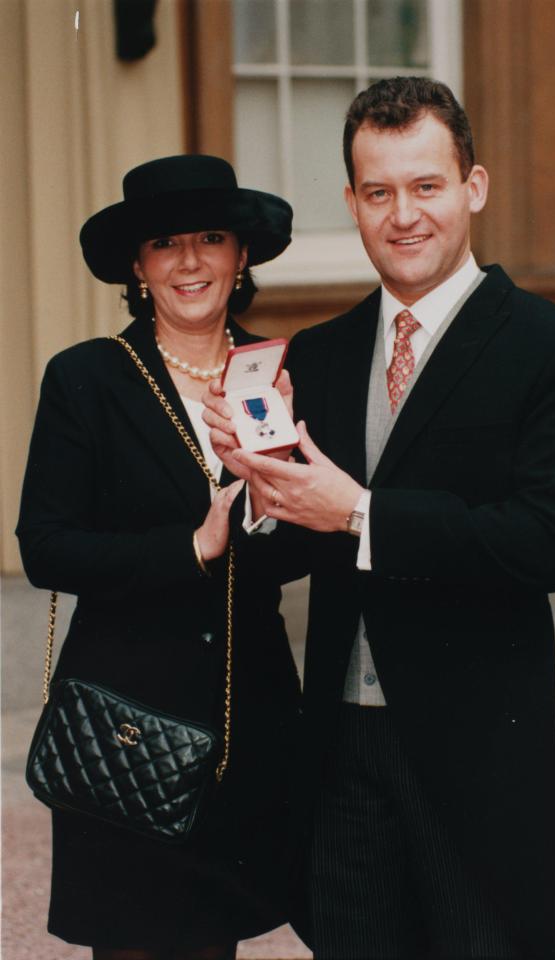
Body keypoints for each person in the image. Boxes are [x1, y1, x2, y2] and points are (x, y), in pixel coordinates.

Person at [203, 78, 555, 959]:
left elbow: (547, 542)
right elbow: (277, 559)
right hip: (340, 744)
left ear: (474, 187)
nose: (404, 216)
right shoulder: (319, 352)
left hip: (476, 750)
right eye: (378, 192)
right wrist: (258, 491)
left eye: (426, 186)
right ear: (350, 202)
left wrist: (357, 512)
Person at [16, 155, 302, 960]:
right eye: (164, 242)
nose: (189, 262)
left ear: (241, 256)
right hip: (128, 730)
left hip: (249, 721)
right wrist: (190, 548)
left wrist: (272, 504)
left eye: (211, 238)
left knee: (216, 943)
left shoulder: (282, 374)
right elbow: (45, 546)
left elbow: (307, 543)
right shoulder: (87, 380)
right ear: (138, 267)